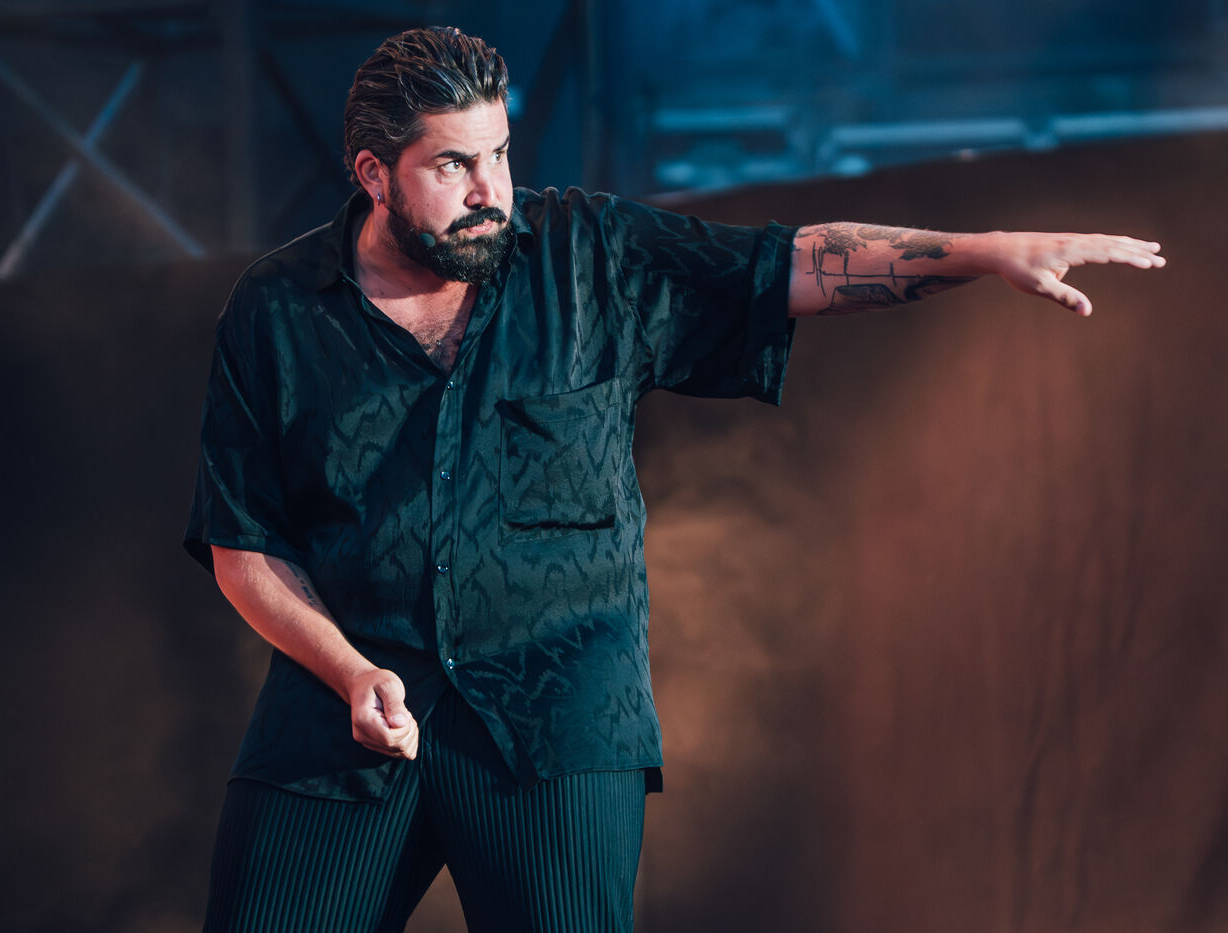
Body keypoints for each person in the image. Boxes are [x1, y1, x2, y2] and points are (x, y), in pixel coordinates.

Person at [183, 26, 1165, 933]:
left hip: (554, 724)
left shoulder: (592, 256)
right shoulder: (276, 311)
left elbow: (788, 266)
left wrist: (982, 255)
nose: (491, 190)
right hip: (343, 717)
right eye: (453, 165)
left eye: (500, 155)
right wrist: (349, 672)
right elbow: (244, 548)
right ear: (373, 173)